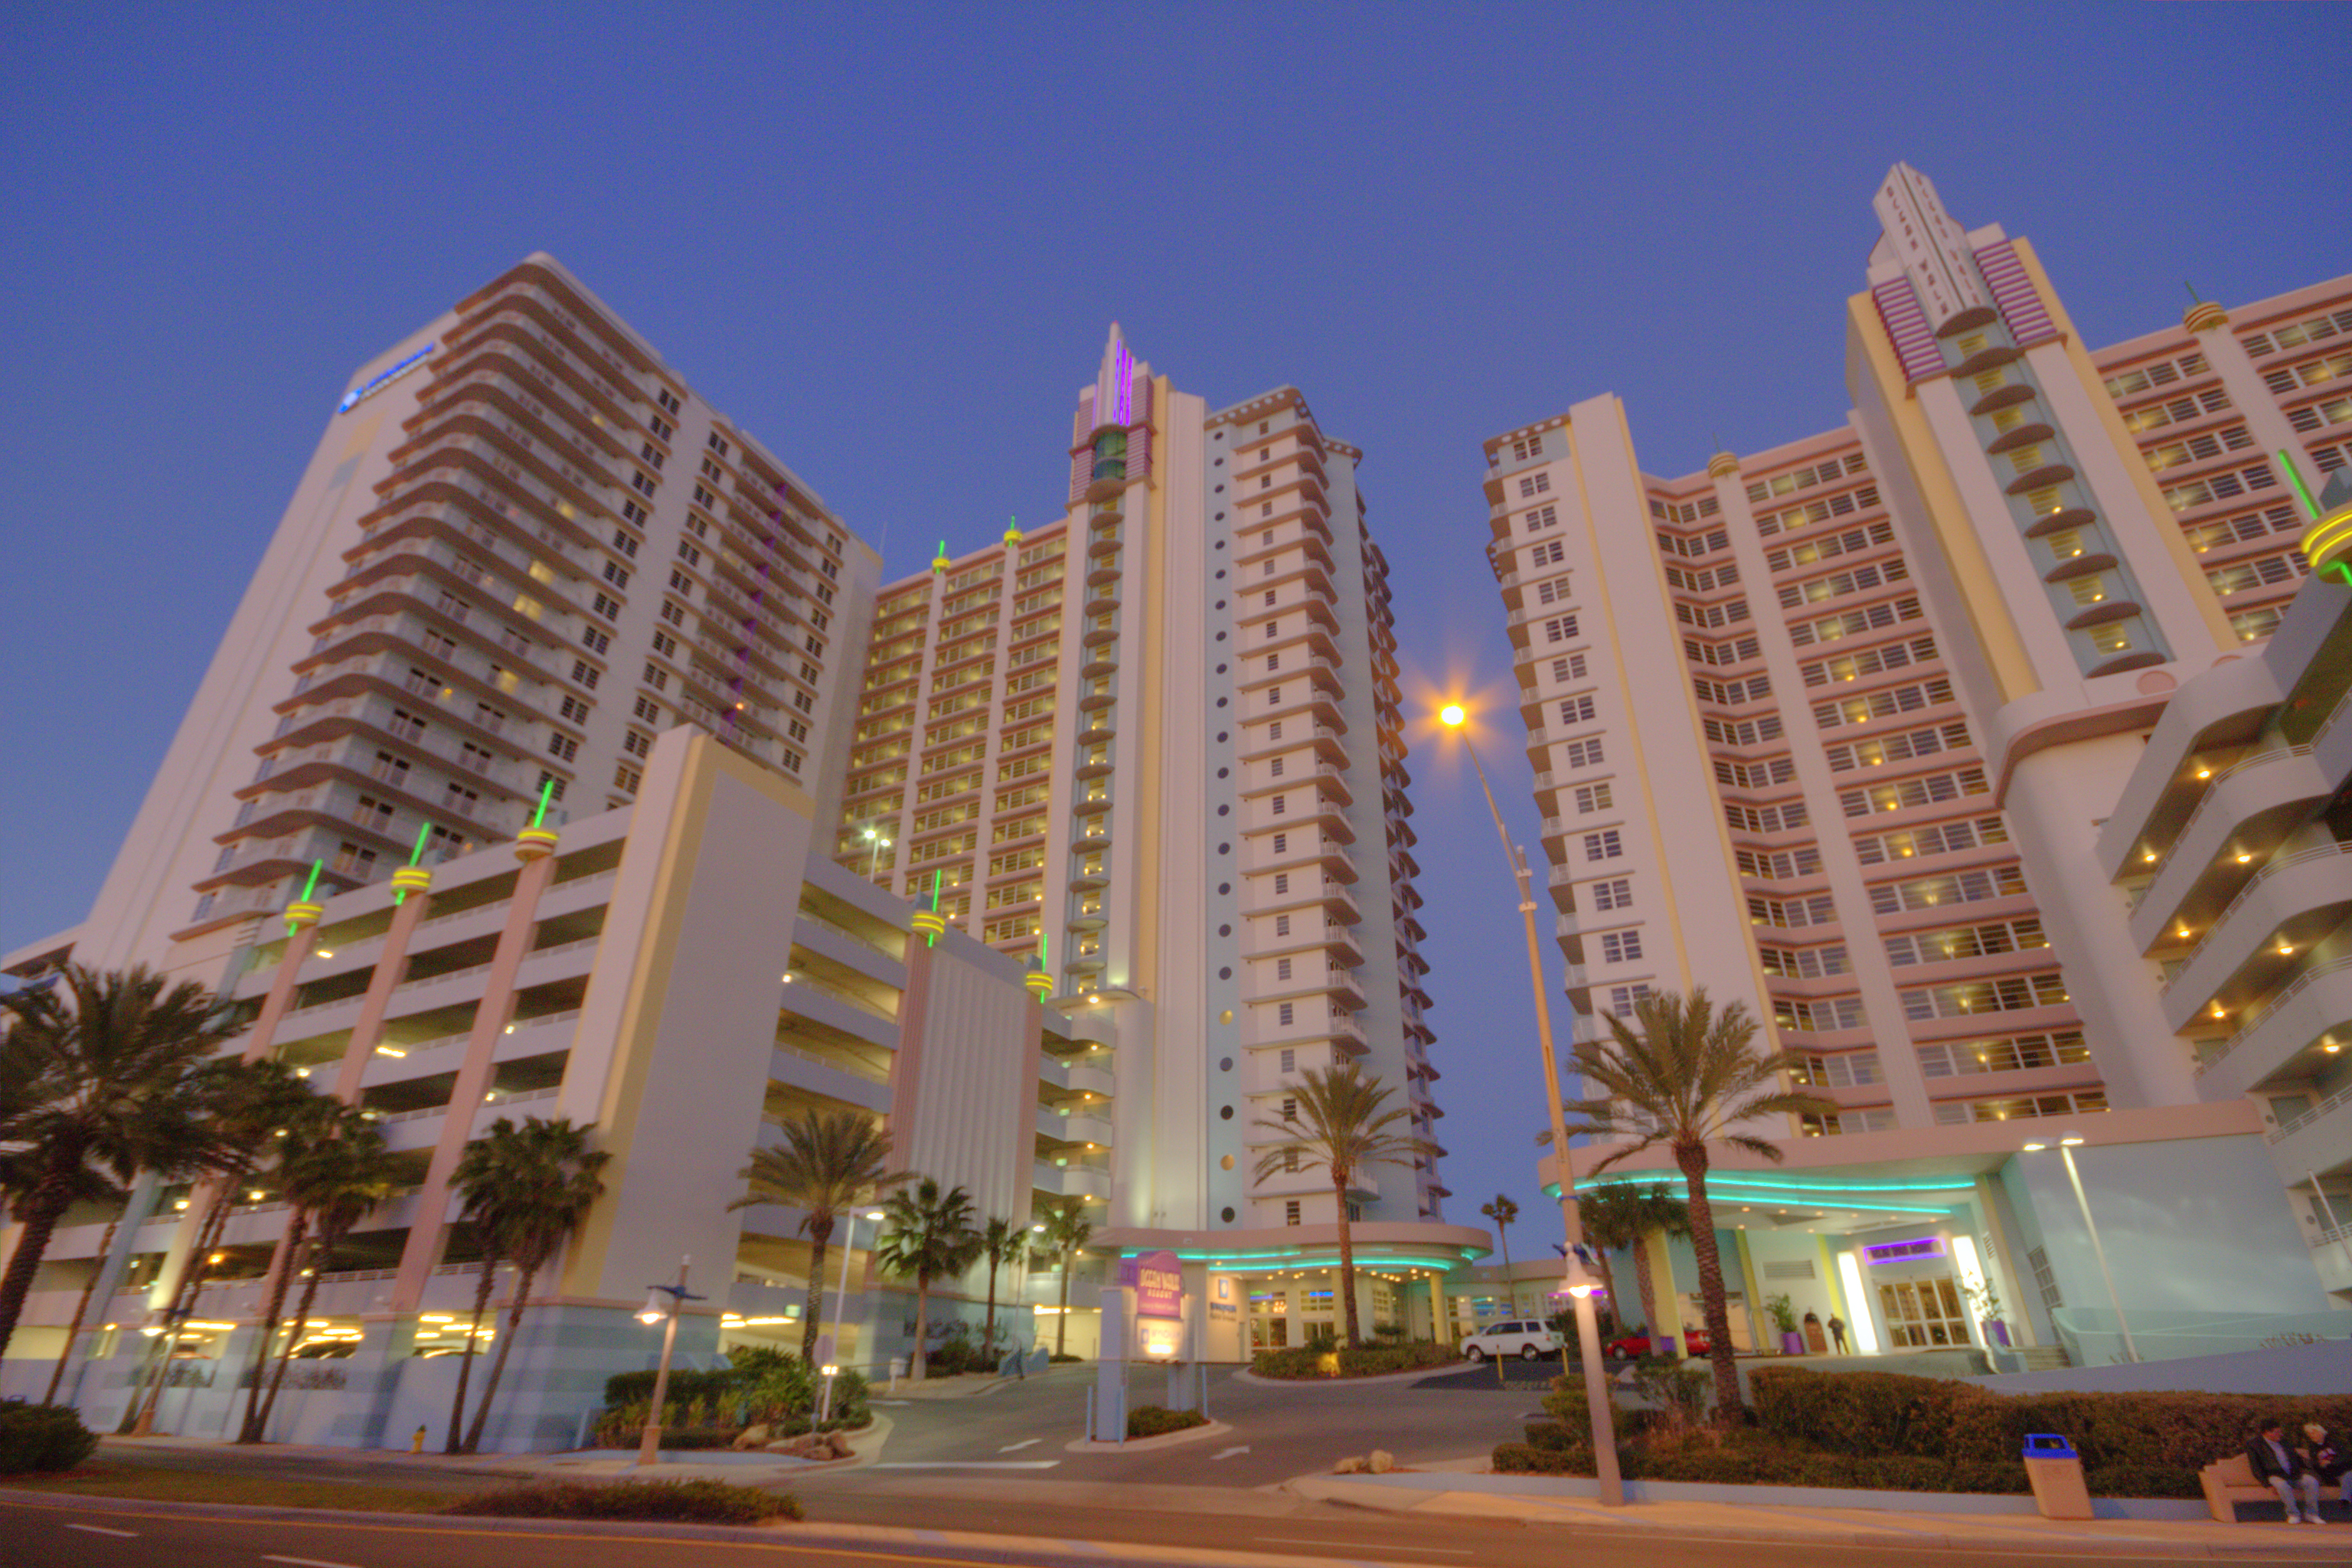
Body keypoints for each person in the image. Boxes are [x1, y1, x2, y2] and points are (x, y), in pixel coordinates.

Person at [2250, 1417, 2324, 1524]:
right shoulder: (2255, 1445)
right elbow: (2256, 1467)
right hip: (2274, 1475)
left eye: (2280, 1431)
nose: (2281, 1434)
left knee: (2311, 1481)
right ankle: (2293, 1514)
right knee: (2282, 1485)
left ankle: (2312, 1514)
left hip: (2293, 1475)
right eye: (2277, 1432)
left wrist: (2311, 1463)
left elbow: (2297, 1458)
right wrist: (2267, 1484)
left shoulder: (2285, 1442)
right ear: (2267, 1432)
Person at [2305, 1423, 2347, 1512]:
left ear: (2321, 1432)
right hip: (2327, 1475)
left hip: (2341, 1471)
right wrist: (2320, 1463)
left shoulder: (2334, 1442)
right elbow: (2313, 1463)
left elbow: (2345, 1457)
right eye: (2309, 1434)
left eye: (2313, 1433)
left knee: (2347, 1481)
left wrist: (2331, 1463)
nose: (2311, 1435)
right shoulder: (2312, 1447)